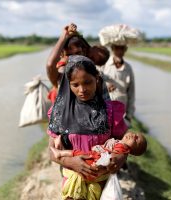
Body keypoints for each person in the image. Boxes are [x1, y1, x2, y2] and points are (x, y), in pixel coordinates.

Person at [47, 55, 129, 200]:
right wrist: (72, 162)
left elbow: (124, 143)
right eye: (75, 85)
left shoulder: (109, 111)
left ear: (97, 79)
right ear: (68, 84)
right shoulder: (60, 112)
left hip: (101, 184)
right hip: (73, 183)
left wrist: (119, 159)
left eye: (87, 82)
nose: (82, 89)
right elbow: (51, 152)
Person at [50, 131, 147, 181]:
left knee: (79, 154)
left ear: (132, 150)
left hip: (95, 162)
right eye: (135, 134)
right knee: (78, 154)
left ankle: (60, 151)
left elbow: (112, 158)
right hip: (94, 162)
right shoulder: (119, 143)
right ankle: (60, 150)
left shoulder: (123, 148)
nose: (134, 136)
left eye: (137, 140)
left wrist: (100, 162)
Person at [102, 44, 135, 124]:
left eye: (122, 49)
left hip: (122, 107)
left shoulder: (128, 68)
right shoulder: (104, 64)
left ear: (125, 50)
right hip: (105, 106)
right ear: (112, 49)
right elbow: (96, 82)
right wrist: (105, 86)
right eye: (117, 48)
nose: (119, 51)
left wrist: (129, 115)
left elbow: (131, 92)